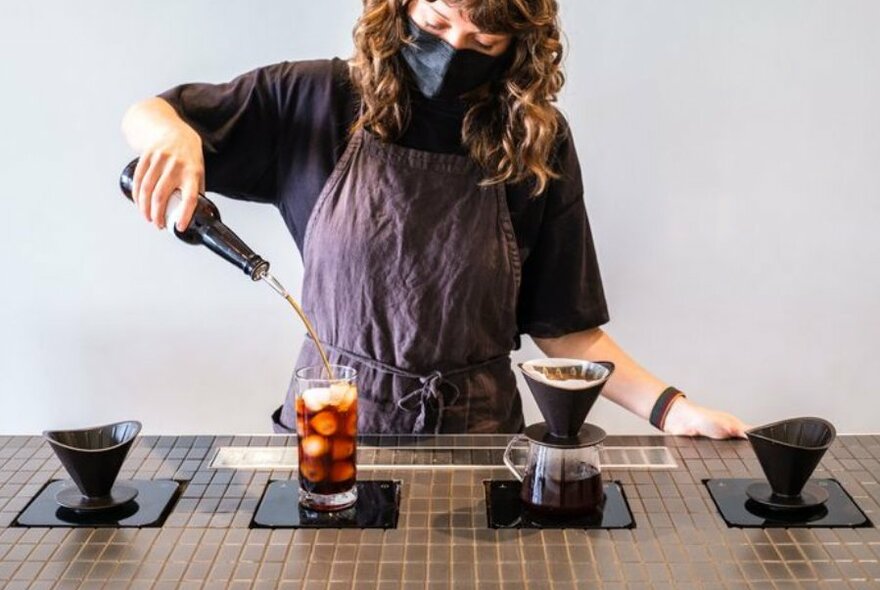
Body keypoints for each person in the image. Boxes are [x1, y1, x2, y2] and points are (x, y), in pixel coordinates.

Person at [122, 0, 747, 438]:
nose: (453, 49)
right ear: (397, 7)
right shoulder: (312, 100)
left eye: (482, 41)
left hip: (473, 443)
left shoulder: (533, 141)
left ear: (519, 46)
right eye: (437, 20)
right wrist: (171, 135)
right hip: (333, 439)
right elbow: (149, 112)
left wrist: (671, 409)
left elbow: (567, 330)